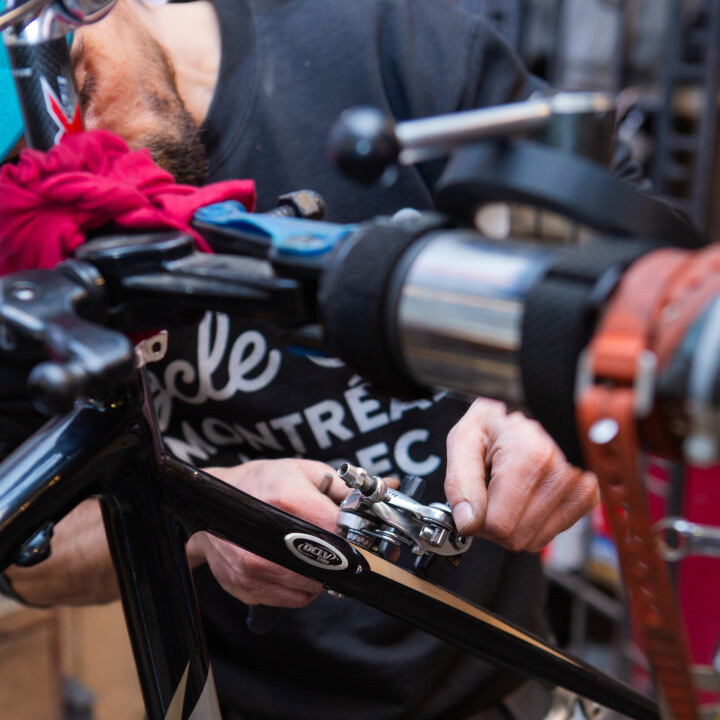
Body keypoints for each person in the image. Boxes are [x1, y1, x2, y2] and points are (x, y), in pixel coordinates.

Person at [0, 1, 600, 718]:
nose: (91, 166)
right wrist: (199, 513)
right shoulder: (19, 241)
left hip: (504, 688)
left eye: (83, 87)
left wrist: (554, 387)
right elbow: (27, 554)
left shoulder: (390, 43)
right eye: (22, 164)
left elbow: (641, 263)